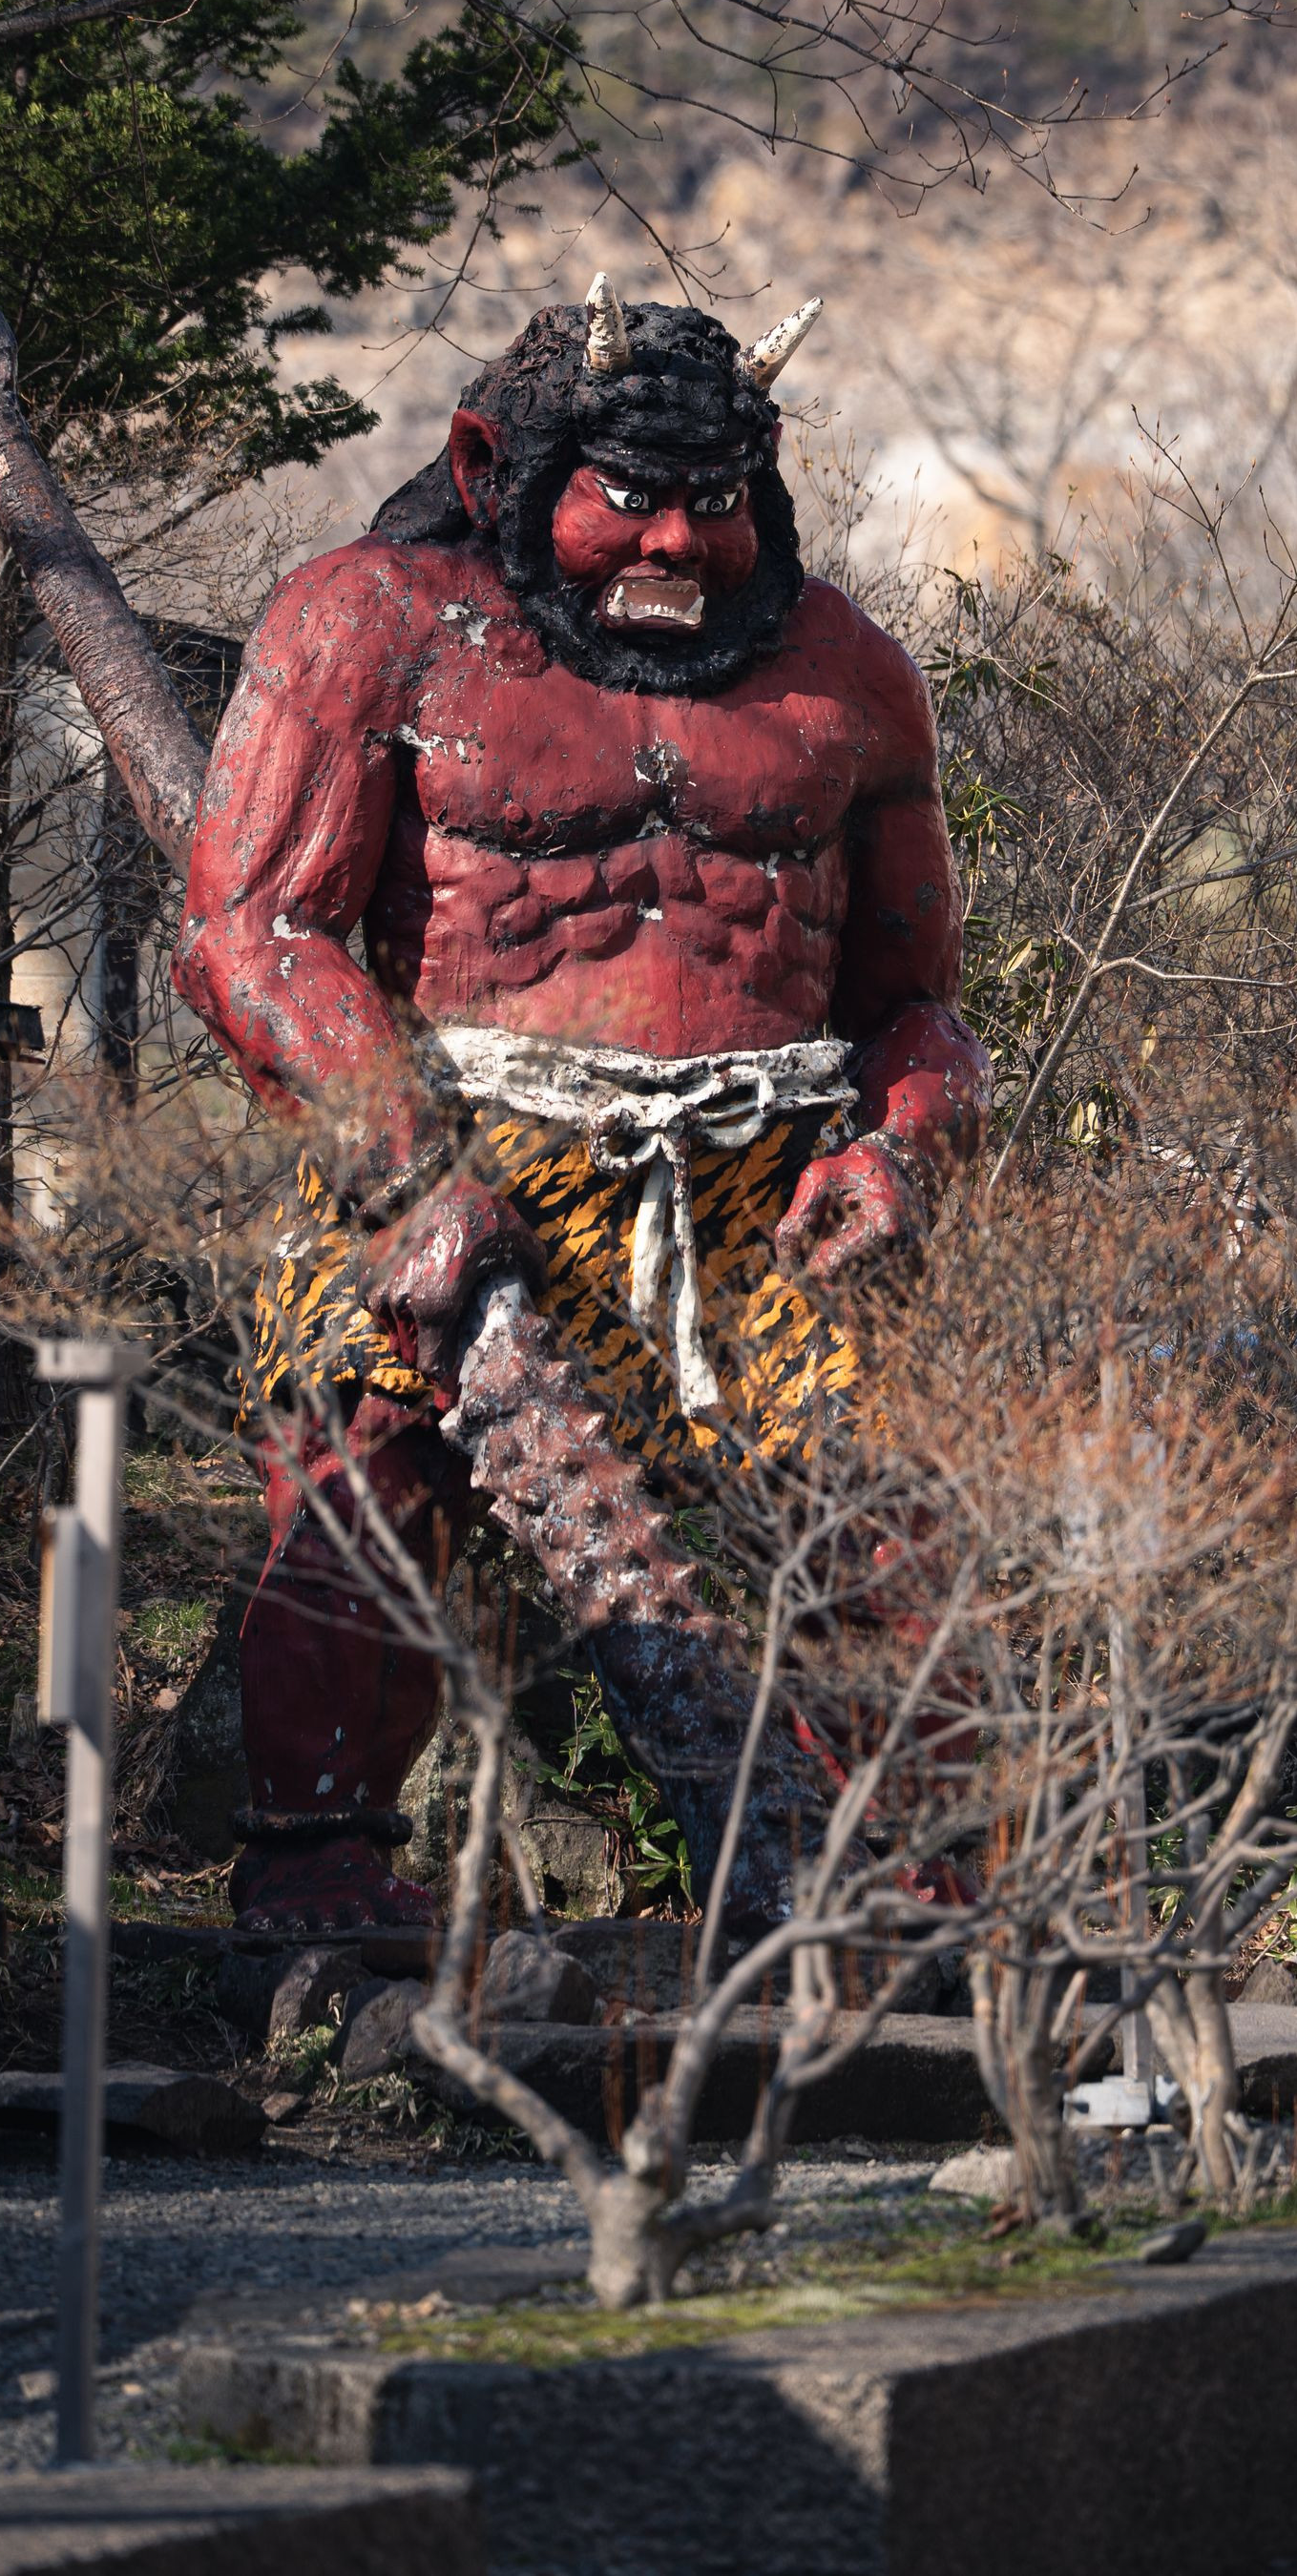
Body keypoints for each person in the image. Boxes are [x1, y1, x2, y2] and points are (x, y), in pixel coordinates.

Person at [173, 283, 989, 1935]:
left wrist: (897, 1143)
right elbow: (253, 934)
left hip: (758, 1186)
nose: (678, 540)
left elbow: (915, 1005)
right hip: (455, 1150)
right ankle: (319, 1869)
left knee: (886, 1508)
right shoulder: (371, 623)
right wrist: (404, 1167)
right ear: (497, 465)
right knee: (364, 1455)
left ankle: (925, 1884)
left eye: (717, 497)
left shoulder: (850, 673)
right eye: (630, 494)